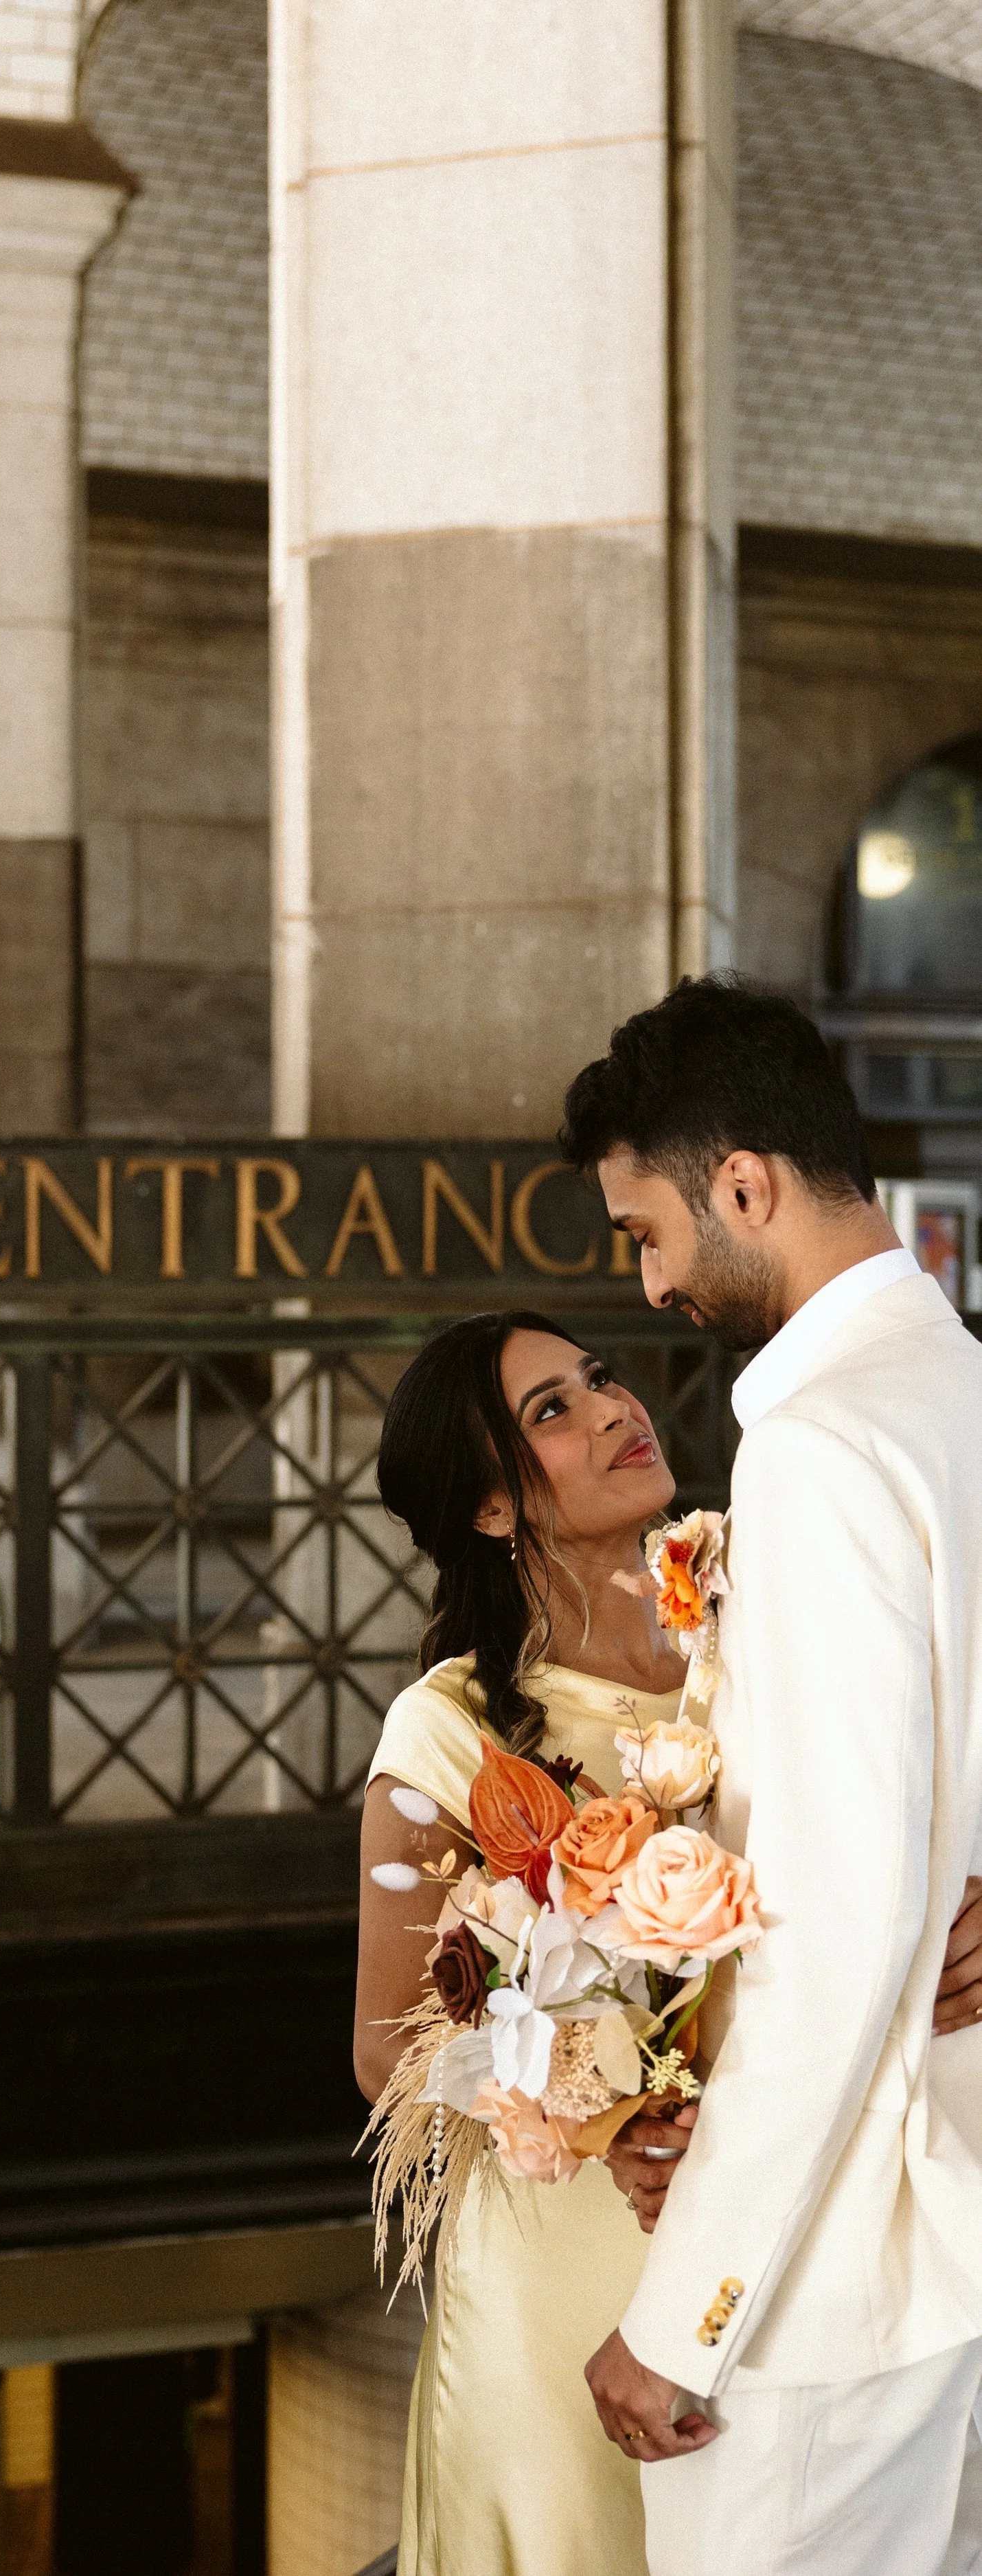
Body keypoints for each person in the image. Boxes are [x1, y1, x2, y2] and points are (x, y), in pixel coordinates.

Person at [564, 975, 982, 2576]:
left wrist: (688, 2314)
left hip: (837, 2277)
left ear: (741, 1183)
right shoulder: (955, 1388)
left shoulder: (820, 1442)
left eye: (643, 1230)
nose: (652, 1280)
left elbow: (836, 1918)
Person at [358, 1308, 700, 2575]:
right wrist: (621, 2104)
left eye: (601, 1379)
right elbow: (389, 2056)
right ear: (494, 1508)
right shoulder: (446, 1734)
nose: (617, 1407)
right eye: (554, 1409)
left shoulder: (753, 1641)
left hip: (768, 2220)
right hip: (566, 2276)